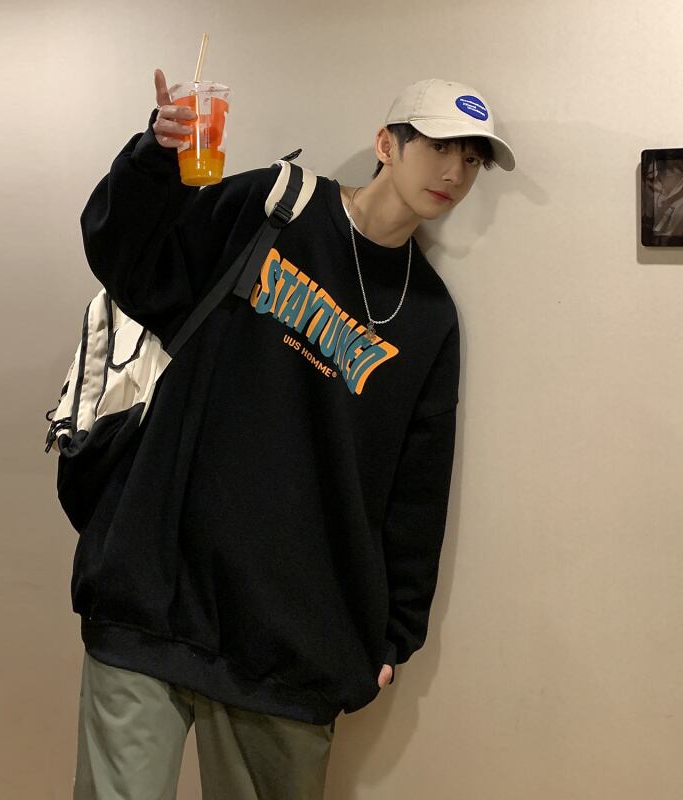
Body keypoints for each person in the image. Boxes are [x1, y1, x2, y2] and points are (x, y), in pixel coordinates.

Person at [71, 70, 516, 800]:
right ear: (386, 143)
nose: (454, 173)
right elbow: (134, 265)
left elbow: (417, 490)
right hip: (156, 593)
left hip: (290, 642)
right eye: (439, 146)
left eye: (472, 159)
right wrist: (153, 159)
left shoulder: (429, 317)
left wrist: (394, 637)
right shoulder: (276, 206)